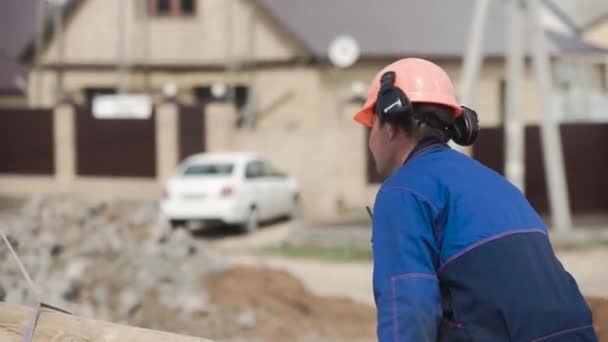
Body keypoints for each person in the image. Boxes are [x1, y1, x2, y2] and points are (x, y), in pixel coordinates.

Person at [353, 58, 597, 341]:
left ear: (390, 124)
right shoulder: (499, 185)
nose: (371, 138)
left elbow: (409, 306)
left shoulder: (403, 191)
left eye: (372, 125)